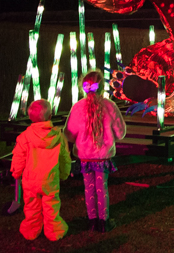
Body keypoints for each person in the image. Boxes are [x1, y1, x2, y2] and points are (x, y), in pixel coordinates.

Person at [64, 69, 127, 233]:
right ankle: (103, 221)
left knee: (88, 188)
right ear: (101, 87)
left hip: (85, 157)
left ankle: (92, 221)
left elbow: (69, 134)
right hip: (102, 156)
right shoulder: (110, 106)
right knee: (101, 187)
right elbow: (120, 132)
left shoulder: (77, 107)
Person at [10, 99, 71, 241]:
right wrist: (64, 173)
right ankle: (54, 231)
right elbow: (65, 158)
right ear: (50, 117)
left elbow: (19, 156)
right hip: (50, 179)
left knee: (31, 207)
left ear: (30, 117)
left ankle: (31, 230)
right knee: (51, 207)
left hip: (30, 180)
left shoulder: (25, 137)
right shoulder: (58, 137)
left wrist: (16, 172)